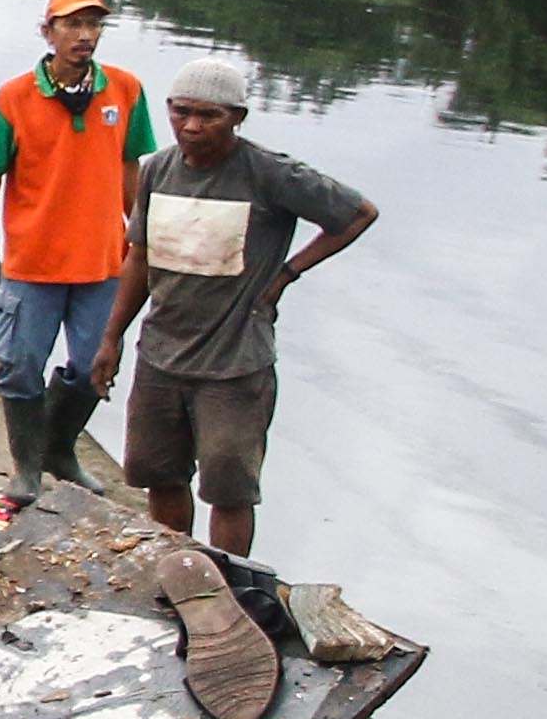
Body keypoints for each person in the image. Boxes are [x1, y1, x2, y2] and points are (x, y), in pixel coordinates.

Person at [91, 56, 377, 558]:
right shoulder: (158, 170)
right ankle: (177, 570)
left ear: (237, 117)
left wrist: (287, 273)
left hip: (234, 364)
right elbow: (140, 256)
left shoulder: (269, 174)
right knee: (159, 474)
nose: (193, 127)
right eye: (182, 113)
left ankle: (229, 585)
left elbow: (357, 214)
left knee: (229, 490)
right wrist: (112, 337)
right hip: (162, 354)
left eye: (209, 116)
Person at [0, 0, 149, 500]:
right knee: (19, 366)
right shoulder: (15, 97)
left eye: (94, 26)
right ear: (49, 32)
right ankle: (27, 469)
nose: (85, 36)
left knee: (91, 368)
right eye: (73, 25)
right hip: (32, 261)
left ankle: (61, 450)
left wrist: (141, 235)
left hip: (102, 260)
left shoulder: (124, 90)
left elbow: (132, 166)